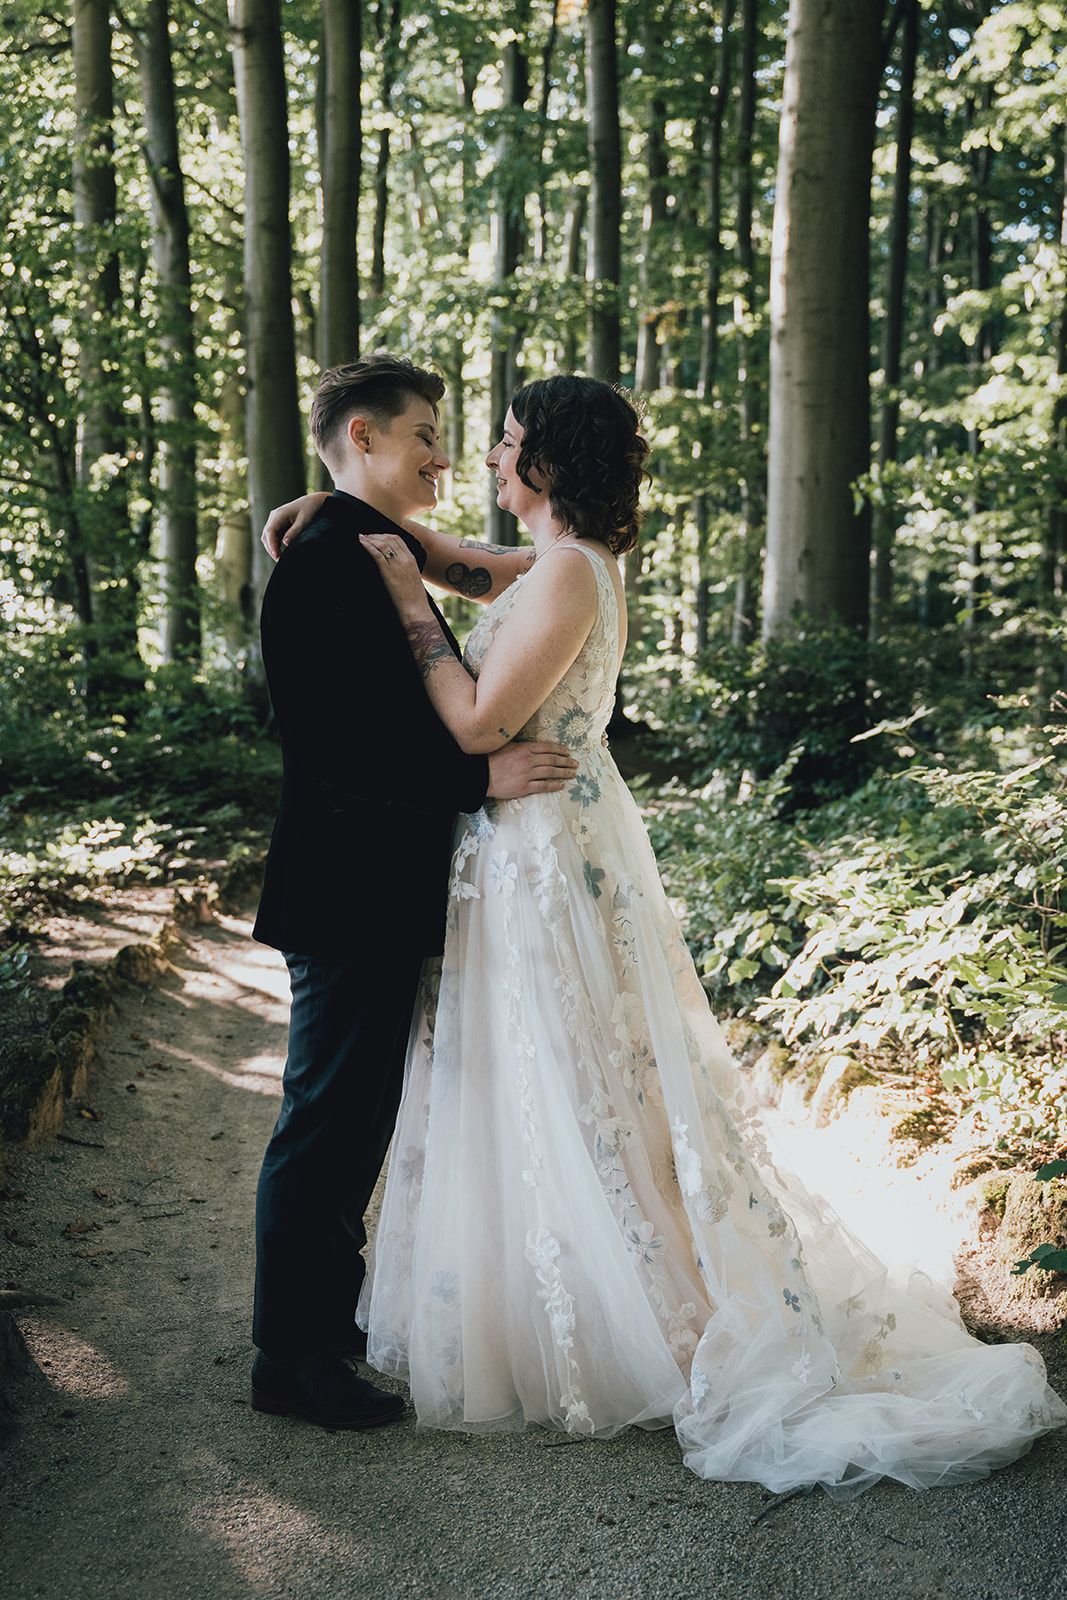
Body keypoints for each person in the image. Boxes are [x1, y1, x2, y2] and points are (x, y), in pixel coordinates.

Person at [262, 374, 1066, 1495]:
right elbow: (457, 577)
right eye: (447, 438)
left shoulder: (565, 572)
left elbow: (478, 712)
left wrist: (403, 596)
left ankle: (598, 1313)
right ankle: (369, 1335)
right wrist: (333, 509)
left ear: (548, 461)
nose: (479, 458)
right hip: (483, 854)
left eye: (502, 441)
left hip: (538, 846)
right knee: (496, 1083)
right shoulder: (533, 562)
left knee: (565, 1077)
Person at [249, 355, 578, 1432]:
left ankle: (326, 1323)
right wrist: (477, 779)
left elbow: (516, 571)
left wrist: (325, 499)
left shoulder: (363, 543)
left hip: (381, 886)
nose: (444, 454)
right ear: (363, 435)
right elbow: (337, 746)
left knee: (358, 1120)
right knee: (326, 1120)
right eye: (425, 433)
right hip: (344, 888)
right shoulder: (324, 564)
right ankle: (290, 1359)